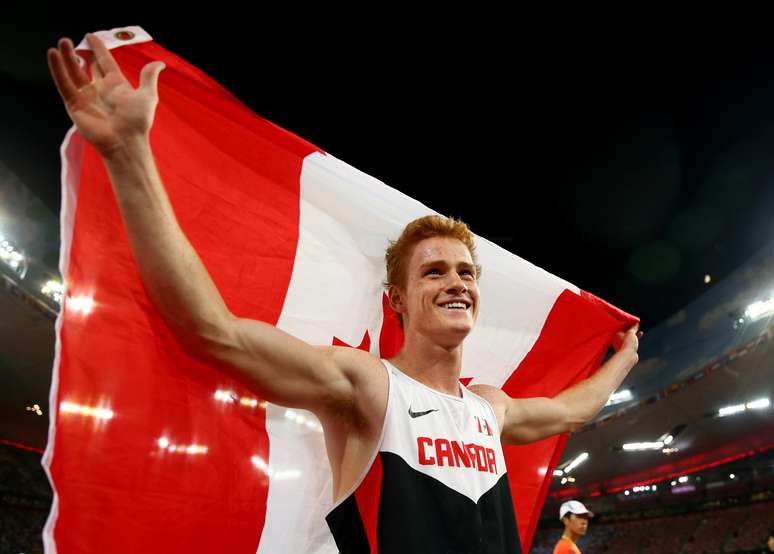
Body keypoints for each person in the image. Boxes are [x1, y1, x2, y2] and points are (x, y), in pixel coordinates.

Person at [47, 34, 640, 554]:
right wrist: (128, 155)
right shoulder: (368, 386)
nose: (457, 281)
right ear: (398, 302)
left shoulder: (490, 407)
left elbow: (570, 411)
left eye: (465, 271)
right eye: (433, 272)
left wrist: (627, 357)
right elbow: (211, 331)